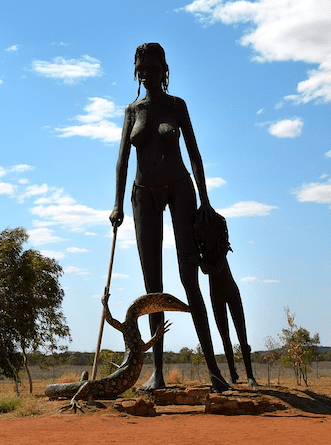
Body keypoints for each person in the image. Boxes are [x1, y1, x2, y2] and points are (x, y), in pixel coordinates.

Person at [109, 42, 229, 392]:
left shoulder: (177, 106)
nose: (146, 72)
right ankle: (157, 373)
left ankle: (214, 371)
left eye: (152, 66)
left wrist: (205, 199)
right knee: (154, 287)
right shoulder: (132, 110)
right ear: (136, 70)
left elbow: (195, 154)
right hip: (143, 193)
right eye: (140, 67)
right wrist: (117, 204)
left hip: (180, 189)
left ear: (164, 69)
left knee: (189, 277)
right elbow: (122, 162)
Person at [187, 213, 259, 387]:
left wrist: (197, 261)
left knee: (242, 336)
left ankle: (250, 376)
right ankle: (233, 374)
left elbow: (217, 270)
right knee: (225, 337)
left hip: (231, 293)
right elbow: (206, 271)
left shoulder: (222, 249)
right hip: (216, 296)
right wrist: (198, 260)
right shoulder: (205, 253)